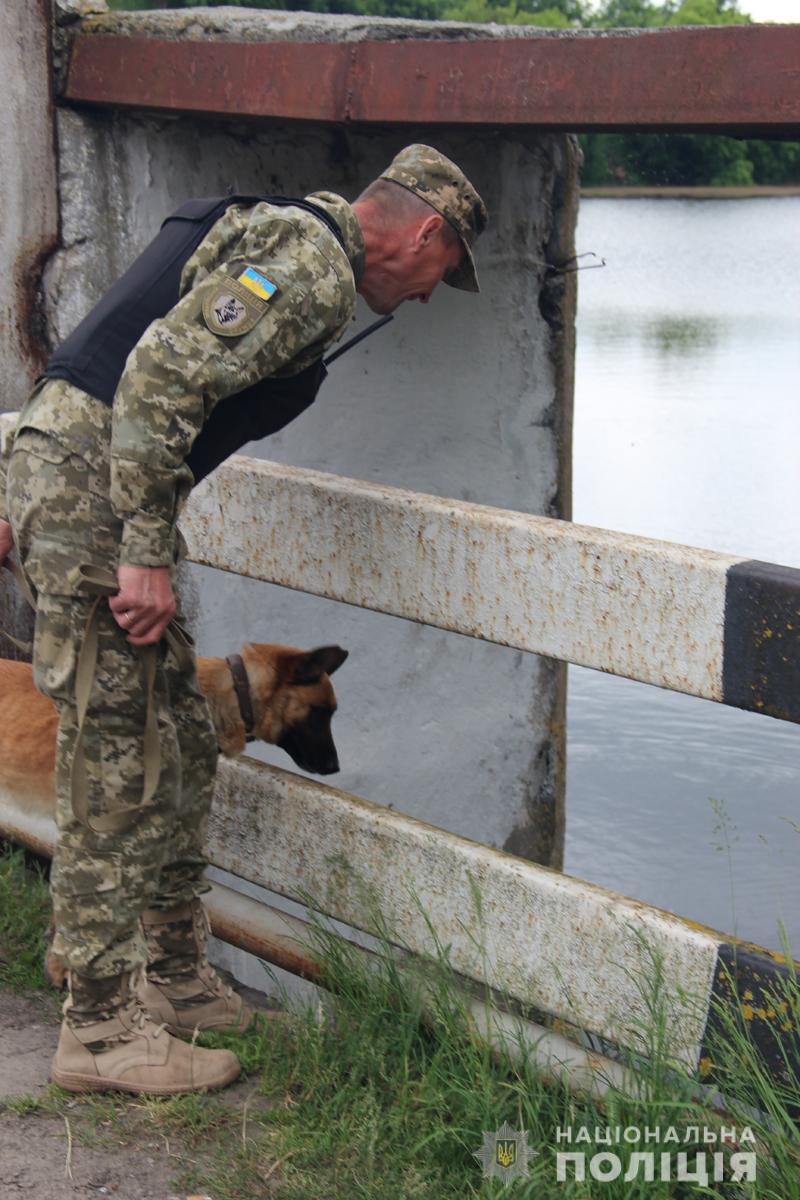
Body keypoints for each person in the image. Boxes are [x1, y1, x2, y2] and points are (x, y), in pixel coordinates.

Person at [0, 145, 487, 1095]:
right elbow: (152, 382)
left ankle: (177, 979)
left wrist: (26, 484)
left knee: (181, 736)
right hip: (99, 504)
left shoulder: (284, 240)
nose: (433, 296)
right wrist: (141, 550)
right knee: (118, 755)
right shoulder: (308, 268)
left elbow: (95, 365)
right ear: (426, 231)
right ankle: (97, 1032)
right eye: (445, 272)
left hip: (74, 481)